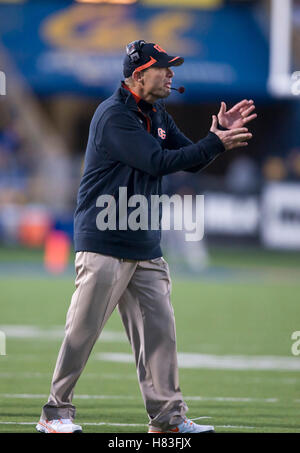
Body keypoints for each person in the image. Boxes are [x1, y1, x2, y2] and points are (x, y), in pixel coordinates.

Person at [36, 40, 256, 434]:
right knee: (82, 332)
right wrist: (213, 143)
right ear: (139, 75)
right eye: (164, 68)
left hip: (143, 242)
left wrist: (217, 136)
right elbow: (157, 161)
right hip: (104, 240)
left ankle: (167, 420)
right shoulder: (113, 115)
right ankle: (54, 412)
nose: (172, 74)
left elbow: (190, 160)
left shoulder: (156, 113)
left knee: (160, 334)